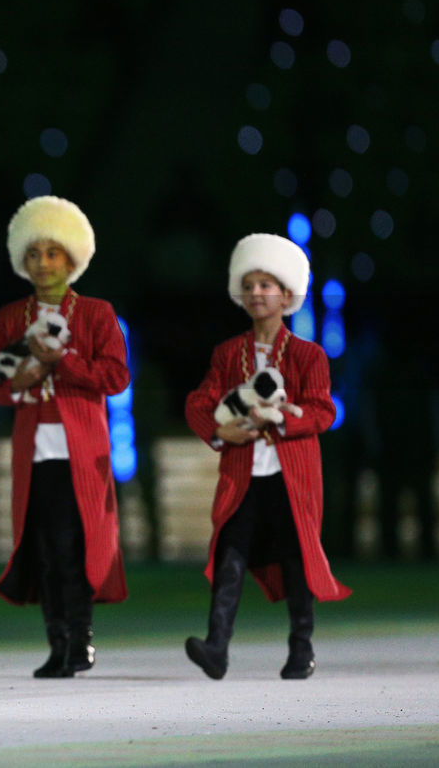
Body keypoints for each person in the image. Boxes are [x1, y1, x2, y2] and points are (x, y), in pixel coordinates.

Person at [0, 195, 129, 678]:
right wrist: (17, 382)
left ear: (73, 258)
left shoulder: (97, 314)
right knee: (40, 547)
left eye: (53, 253)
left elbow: (116, 377)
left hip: (83, 452)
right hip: (32, 452)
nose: (43, 264)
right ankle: (60, 644)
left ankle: (77, 642)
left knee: (71, 547)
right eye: (35, 254)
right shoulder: (10, 317)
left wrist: (63, 359)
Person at [184, 233, 350, 680]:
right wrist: (220, 430)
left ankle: (302, 647)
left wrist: (277, 421)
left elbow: (322, 409)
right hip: (243, 475)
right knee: (229, 556)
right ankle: (216, 647)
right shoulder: (227, 354)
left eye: (267, 285)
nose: (258, 294)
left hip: (292, 475)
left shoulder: (307, 355)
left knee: (297, 557)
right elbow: (198, 402)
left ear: (286, 294)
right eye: (251, 285)